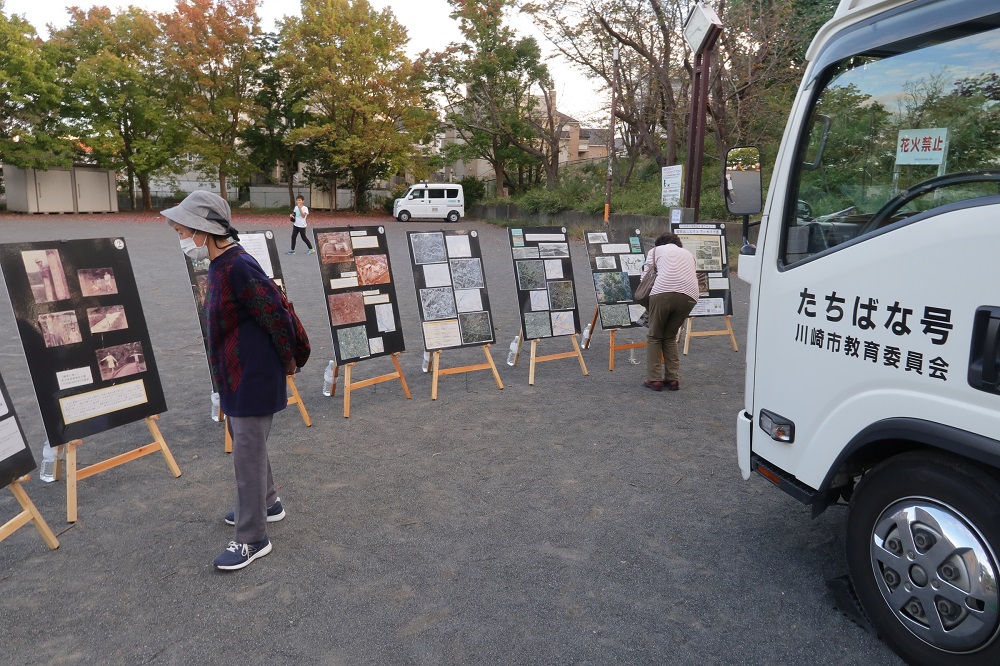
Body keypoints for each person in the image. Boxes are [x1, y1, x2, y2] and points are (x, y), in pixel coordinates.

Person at [162, 191, 309, 571]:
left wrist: (290, 359)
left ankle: (252, 537)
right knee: (250, 444)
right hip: (237, 372)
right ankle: (268, 503)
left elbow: (275, 313)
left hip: (253, 374)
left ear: (204, 232)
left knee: (246, 450)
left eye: (182, 230)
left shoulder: (237, 265)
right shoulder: (220, 262)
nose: (180, 237)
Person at [642, 232, 699, 392]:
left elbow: (645, 277)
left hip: (663, 293)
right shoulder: (689, 254)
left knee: (654, 336)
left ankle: (654, 380)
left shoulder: (655, 251)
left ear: (659, 243)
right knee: (669, 335)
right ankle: (672, 379)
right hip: (690, 296)